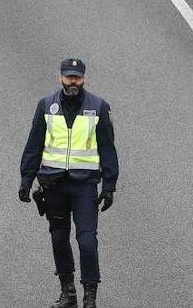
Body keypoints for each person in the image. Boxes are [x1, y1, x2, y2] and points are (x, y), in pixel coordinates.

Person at [18, 58, 119, 308]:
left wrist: (109, 186)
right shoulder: (46, 106)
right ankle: (68, 293)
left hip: (84, 186)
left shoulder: (98, 107)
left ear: (84, 78)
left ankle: (90, 297)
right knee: (59, 240)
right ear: (60, 77)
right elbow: (34, 145)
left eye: (77, 77)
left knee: (87, 242)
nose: (73, 82)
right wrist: (26, 179)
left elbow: (107, 148)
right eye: (69, 77)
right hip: (54, 186)